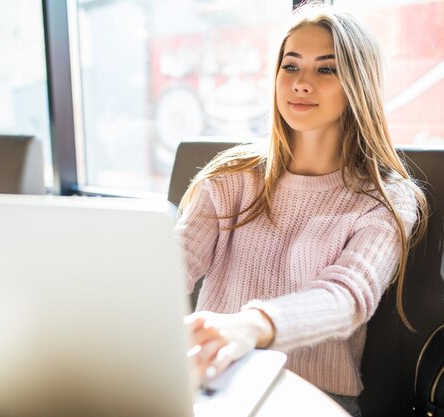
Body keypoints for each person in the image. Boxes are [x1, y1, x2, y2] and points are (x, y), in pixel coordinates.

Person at [176, 4, 428, 416]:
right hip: (215, 382)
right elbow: (174, 263)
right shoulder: (229, 178)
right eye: (290, 66)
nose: (301, 83)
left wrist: (251, 327)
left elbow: (347, 298)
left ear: (357, 85)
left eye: (325, 70)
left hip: (316, 396)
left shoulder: (387, 199)